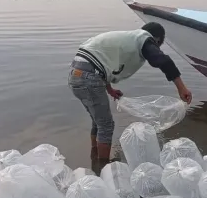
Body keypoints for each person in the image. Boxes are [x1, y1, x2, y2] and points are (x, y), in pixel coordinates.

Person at [68, 22, 192, 163]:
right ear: (158, 39)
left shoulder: (129, 38)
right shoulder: (144, 39)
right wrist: (182, 88)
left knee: (98, 122)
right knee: (106, 126)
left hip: (76, 74)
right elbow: (164, 61)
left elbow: (100, 61)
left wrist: (109, 89)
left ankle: (94, 156)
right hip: (89, 76)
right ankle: (103, 168)